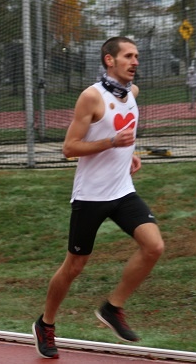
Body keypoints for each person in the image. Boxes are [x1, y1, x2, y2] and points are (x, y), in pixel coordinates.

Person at [32, 37, 165, 359]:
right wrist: (112, 143)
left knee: (154, 246)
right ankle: (45, 323)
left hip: (122, 191)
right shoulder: (91, 97)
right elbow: (69, 148)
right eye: (128, 56)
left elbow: (124, 137)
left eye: (137, 56)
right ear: (109, 60)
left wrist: (128, 155)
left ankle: (112, 307)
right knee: (74, 265)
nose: (135, 62)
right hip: (91, 196)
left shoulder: (132, 93)